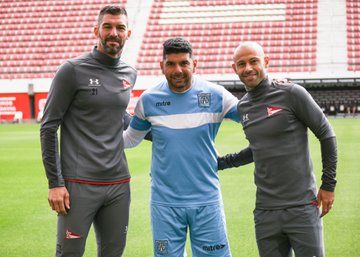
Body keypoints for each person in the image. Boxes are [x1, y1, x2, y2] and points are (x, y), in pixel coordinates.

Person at [218, 42, 337, 257]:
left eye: (254, 61)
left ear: (266, 61)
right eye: (241, 64)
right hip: (265, 211)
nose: (248, 68)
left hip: (301, 206)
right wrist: (221, 162)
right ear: (234, 68)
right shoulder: (243, 106)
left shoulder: (291, 93)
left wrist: (328, 185)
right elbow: (258, 148)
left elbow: (326, 134)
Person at [123, 37, 240, 257]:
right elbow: (130, 139)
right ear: (162, 66)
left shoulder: (216, 95)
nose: (178, 70)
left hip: (206, 200)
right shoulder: (149, 100)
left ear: (194, 64)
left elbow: (253, 118)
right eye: (171, 64)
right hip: (164, 204)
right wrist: (95, 140)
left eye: (184, 63)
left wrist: (273, 88)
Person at [40, 5, 136, 257]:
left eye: (120, 28)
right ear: (97, 30)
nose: (114, 32)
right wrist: (55, 183)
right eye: (108, 26)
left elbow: (121, 116)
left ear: (128, 34)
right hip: (78, 185)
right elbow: (49, 127)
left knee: (113, 254)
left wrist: (159, 131)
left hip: (118, 183)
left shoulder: (130, 73)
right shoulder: (71, 70)